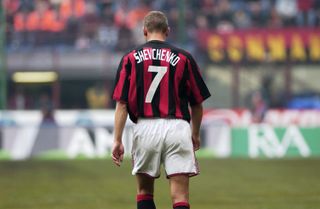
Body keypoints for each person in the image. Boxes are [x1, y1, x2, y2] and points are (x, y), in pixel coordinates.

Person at [111, 11, 211, 209]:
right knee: (180, 196)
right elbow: (197, 104)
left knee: (144, 193)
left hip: (145, 127)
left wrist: (117, 140)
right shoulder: (184, 58)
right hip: (178, 127)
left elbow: (122, 104)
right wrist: (195, 134)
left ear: (144, 31)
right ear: (168, 31)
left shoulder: (130, 59)